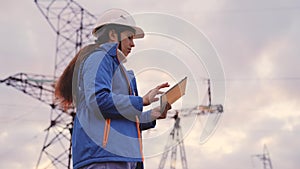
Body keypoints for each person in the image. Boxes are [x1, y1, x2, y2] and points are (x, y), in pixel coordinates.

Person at [54, 8, 171, 169]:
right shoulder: (99, 57)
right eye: (129, 37)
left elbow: (123, 119)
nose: (133, 44)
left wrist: (152, 115)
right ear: (113, 35)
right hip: (103, 157)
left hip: (121, 158)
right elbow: (98, 101)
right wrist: (142, 100)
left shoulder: (124, 72)